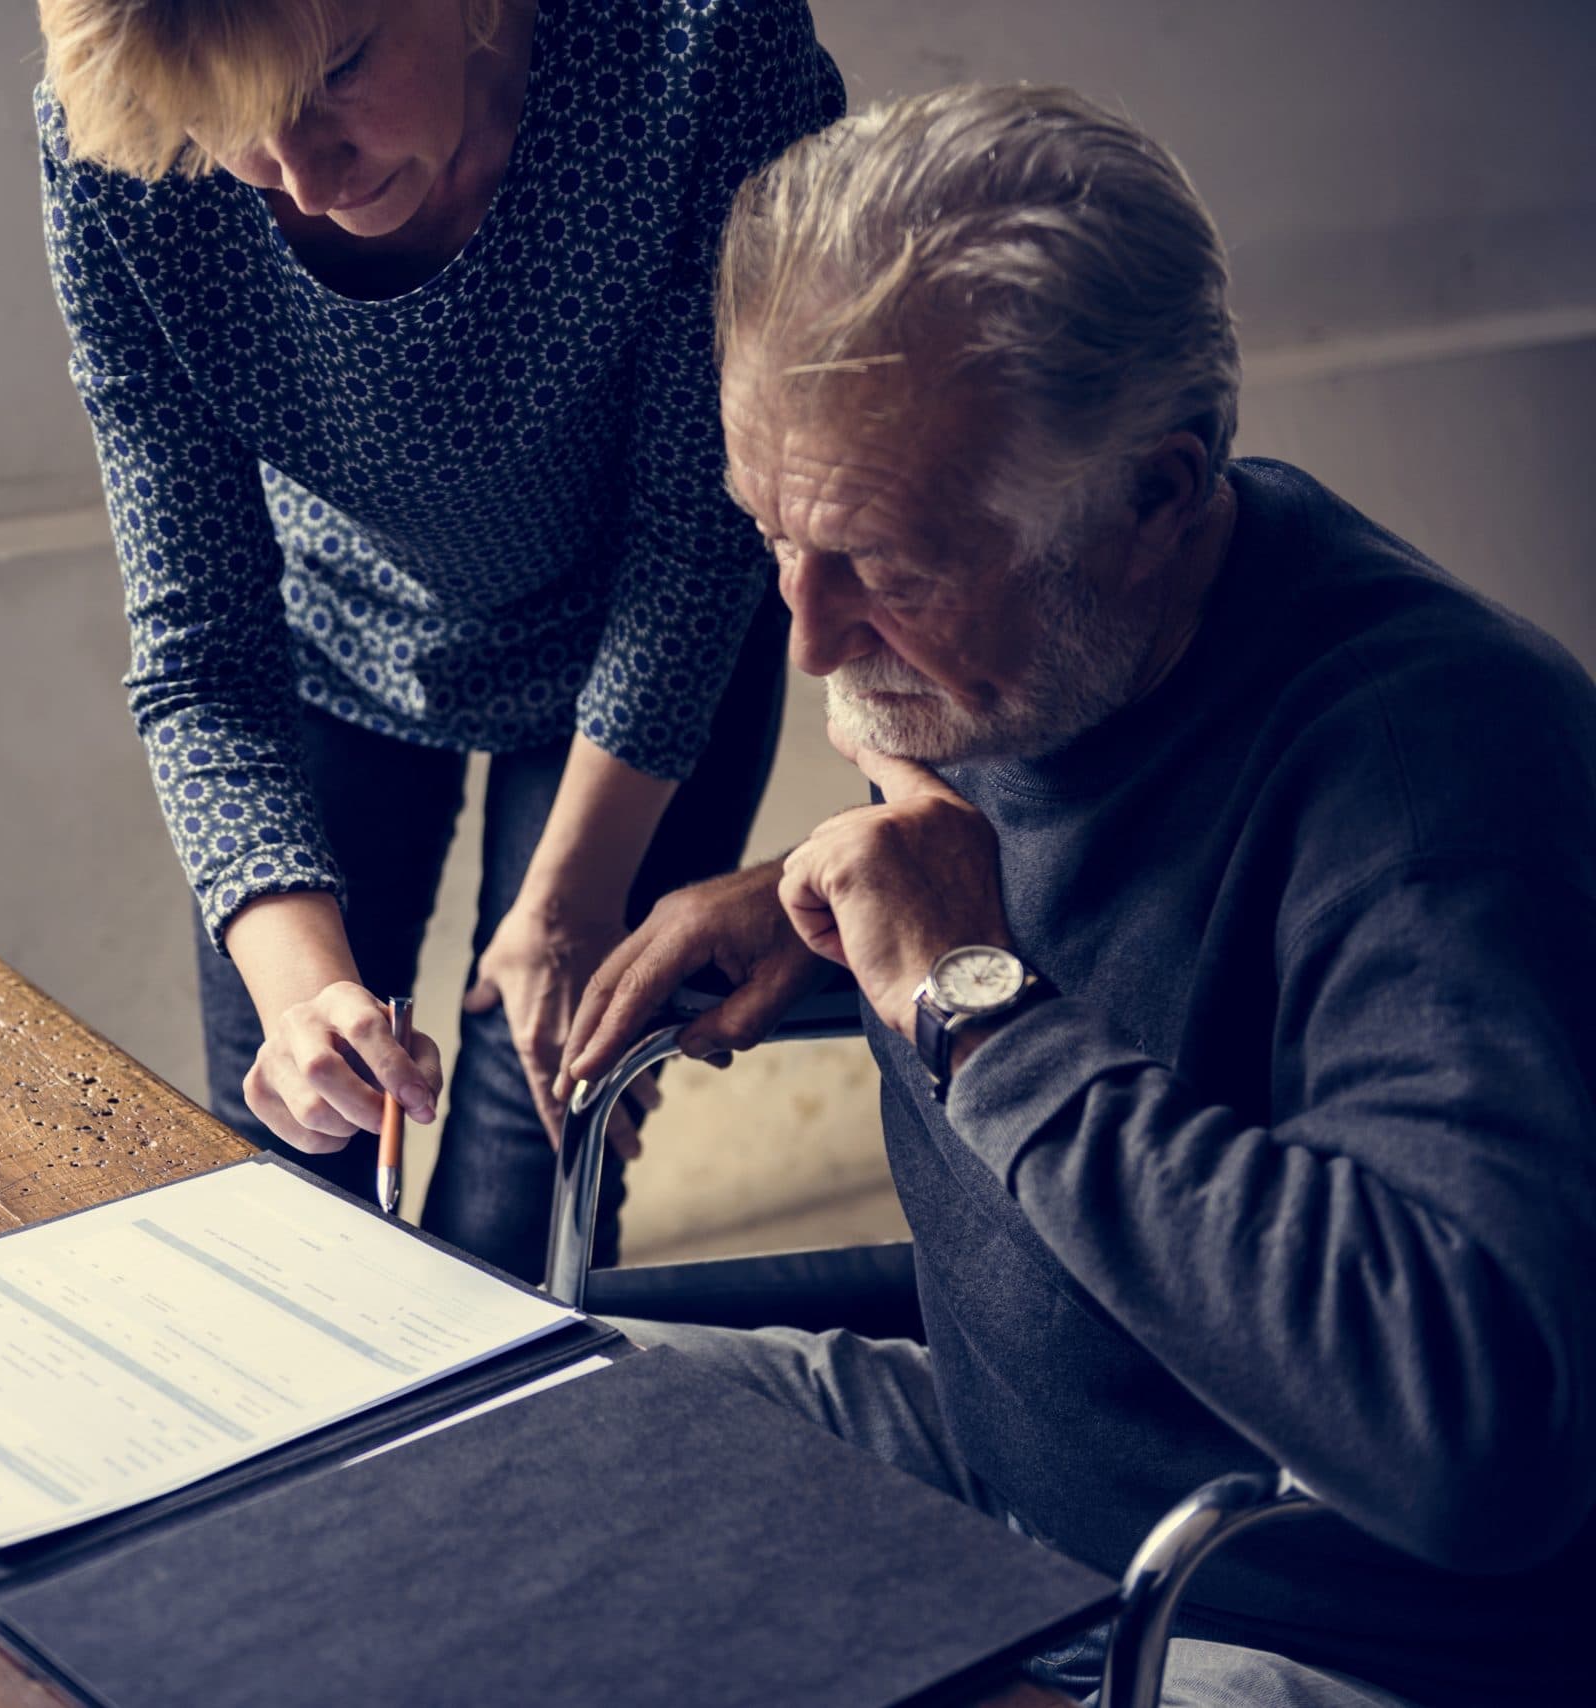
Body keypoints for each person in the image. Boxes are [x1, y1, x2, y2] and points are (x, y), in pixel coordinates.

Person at [561, 83, 1596, 1707]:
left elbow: (1478, 1436)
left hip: (1294, 1621)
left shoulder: (1438, 786)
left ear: (1158, 499)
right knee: (483, 1436)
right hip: (1001, 1472)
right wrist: (822, 907)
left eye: (887, 567)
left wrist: (967, 992)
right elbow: (1129, 939)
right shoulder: (1037, 647)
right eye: (773, 533)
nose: (813, 638)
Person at [33, 0, 844, 1277]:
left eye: (336, 74)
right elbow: (197, 650)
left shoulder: (699, 43)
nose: (300, 179)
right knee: (299, 1182)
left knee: (526, 1202)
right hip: (329, 639)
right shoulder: (130, 148)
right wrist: (303, 999)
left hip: (645, 643)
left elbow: (699, 528)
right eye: (231, 131)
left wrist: (572, 900)